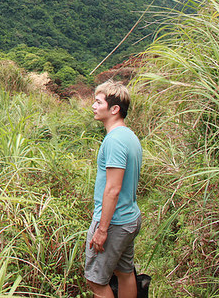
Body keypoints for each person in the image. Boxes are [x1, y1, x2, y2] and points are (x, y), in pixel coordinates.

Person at [85, 81, 143, 298]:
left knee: (96, 281)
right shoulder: (129, 136)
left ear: (114, 108)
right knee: (124, 272)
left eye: (98, 102)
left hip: (114, 223)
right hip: (129, 218)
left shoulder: (115, 141)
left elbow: (113, 189)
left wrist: (102, 230)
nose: (93, 106)